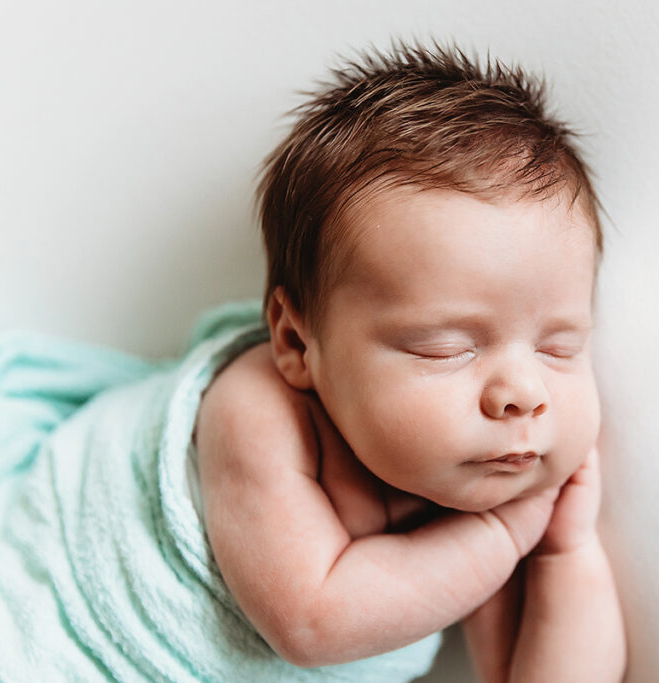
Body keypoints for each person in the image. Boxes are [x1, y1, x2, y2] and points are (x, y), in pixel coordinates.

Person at [194, 42, 626, 681]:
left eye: (559, 348)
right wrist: (504, 539)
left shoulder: (478, 484)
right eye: (445, 348)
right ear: (295, 343)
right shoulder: (255, 407)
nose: (523, 393)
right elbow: (311, 622)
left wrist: (564, 551)